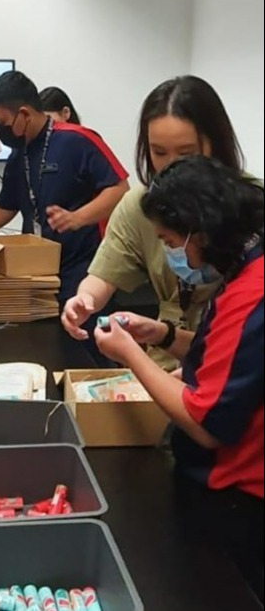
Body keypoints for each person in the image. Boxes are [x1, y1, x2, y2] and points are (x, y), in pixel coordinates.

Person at [94, 156, 263, 602]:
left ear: (200, 231)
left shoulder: (253, 292)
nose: (173, 256)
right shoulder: (247, 268)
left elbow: (206, 422)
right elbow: (229, 357)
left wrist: (132, 355)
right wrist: (163, 334)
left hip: (239, 496)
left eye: (171, 242)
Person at [62, 76, 247, 370]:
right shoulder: (140, 206)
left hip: (233, 364)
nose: (171, 165)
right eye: (159, 152)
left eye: (186, 153)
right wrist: (85, 299)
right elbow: (105, 271)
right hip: (169, 356)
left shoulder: (251, 205)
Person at [0, 71, 128, 319]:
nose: (0, 131)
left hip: (82, 271)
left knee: (82, 346)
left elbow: (120, 189)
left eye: (1, 123)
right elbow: (2, 211)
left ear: (24, 114)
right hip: (36, 270)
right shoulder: (19, 154)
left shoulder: (77, 140)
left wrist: (77, 218)